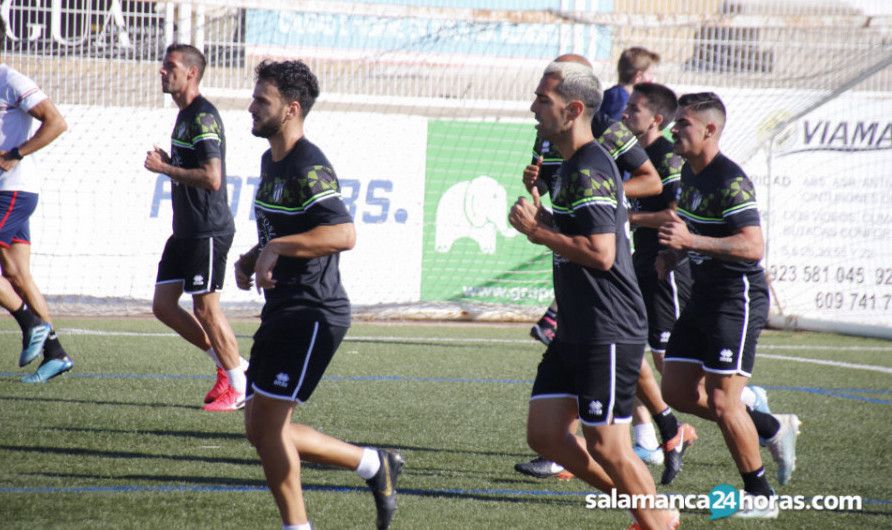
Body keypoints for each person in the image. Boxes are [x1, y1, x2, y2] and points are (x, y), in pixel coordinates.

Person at [509, 60, 678, 530]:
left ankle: (655, 520)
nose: (533, 108)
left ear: (574, 109)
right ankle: (647, 508)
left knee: (607, 444)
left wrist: (540, 234)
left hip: (608, 325)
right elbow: (577, 235)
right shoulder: (567, 166)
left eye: (544, 100)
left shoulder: (589, 167)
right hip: (579, 326)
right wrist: (539, 220)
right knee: (545, 433)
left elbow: (601, 254)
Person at [236, 59, 402, 530]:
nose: (251, 107)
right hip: (283, 308)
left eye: (261, 100)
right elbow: (286, 226)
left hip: (312, 311)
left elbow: (343, 233)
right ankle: (373, 464)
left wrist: (276, 247)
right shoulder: (271, 160)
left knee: (268, 431)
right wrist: (255, 255)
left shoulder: (309, 164)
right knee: (260, 430)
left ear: (290, 109)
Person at [657, 92, 800, 518]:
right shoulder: (689, 171)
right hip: (702, 295)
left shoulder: (729, 179)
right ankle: (772, 427)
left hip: (735, 299)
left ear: (709, 129)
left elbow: (752, 246)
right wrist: (675, 254)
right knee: (676, 390)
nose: (673, 130)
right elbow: (692, 227)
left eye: (681, 123)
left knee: (723, 402)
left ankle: (761, 497)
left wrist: (690, 242)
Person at [144, 44, 248, 412]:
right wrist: (173, 162)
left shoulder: (203, 116)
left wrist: (165, 169)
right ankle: (227, 364)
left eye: (169, 65)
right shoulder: (185, 116)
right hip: (185, 229)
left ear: (191, 72)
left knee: (205, 308)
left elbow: (212, 178)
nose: (161, 70)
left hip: (207, 229)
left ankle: (239, 384)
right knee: (163, 305)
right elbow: (196, 170)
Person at [0, 58, 74, 383]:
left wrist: (15, 154)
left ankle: (31, 324)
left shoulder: (10, 79)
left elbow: (56, 122)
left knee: (16, 275)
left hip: (11, 191)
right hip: (10, 192)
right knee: (16, 274)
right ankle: (56, 353)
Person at [599, 47, 660, 122]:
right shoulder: (619, 98)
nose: (652, 78)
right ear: (638, 76)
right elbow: (612, 131)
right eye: (650, 74)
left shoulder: (620, 95)